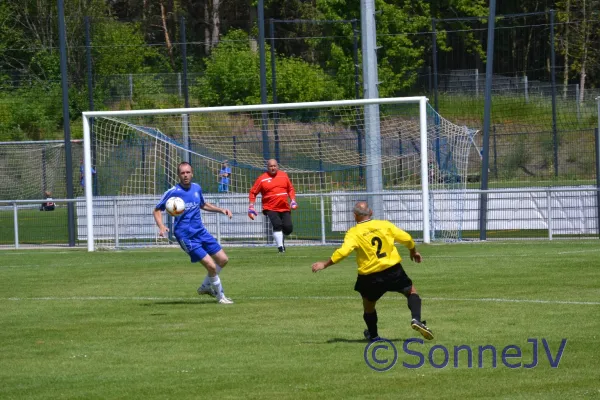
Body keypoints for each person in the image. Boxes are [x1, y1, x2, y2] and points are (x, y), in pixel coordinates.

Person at [311, 201, 433, 341]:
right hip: (392, 270)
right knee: (411, 292)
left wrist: (325, 264)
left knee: (368, 306)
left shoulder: (354, 232)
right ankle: (416, 319)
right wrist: (413, 252)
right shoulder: (384, 225)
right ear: (371, 213)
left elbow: (343, 252)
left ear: (354, 216)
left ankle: (374, 336)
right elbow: (407, 238)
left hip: (369, 276)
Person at [153, 161, 234, 304]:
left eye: (187, 172)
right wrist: (161, 226)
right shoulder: (173, 192)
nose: (185, 175)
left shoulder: (197, 188)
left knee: (223, 260)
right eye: (182, 173)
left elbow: (202, 204)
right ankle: (220, 296)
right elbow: (157, 209)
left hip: (200, 231)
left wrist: (220, 209)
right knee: (210, 265)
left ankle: (205, 287)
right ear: (178, 175)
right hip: (185, 236)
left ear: (192, 173)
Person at [248, 159, 298, 253]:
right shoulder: (262, 179)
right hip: (270, 207)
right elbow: (253, 192)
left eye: (274, 166)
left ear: (277, 166)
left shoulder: (284, 175)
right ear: (267, 167)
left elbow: (290, 189)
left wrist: (293, 200)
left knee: (288, 228)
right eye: (271, 166)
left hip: (284, 207)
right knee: (277, 225)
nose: (273, 167)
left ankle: (280, 238)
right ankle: (281, 249)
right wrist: (251, 206)